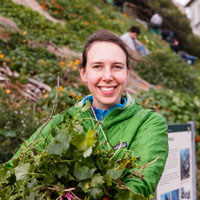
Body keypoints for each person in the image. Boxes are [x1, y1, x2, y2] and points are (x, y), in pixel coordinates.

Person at [7, 30, 168, 197]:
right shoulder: (63, 122)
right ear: (83, 73)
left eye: (117, 67)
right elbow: (15, 169)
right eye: (97, 66)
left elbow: (138, 186)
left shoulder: (149, 122)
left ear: (127, 73)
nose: (107, 76)